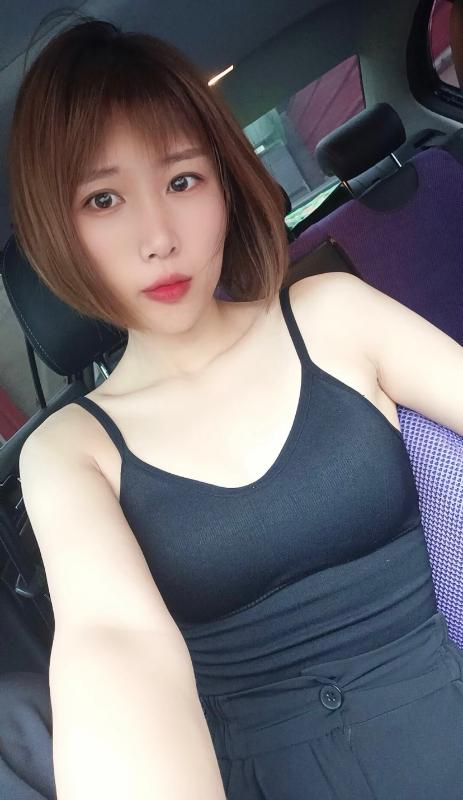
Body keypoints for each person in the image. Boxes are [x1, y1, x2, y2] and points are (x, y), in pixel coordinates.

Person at [5, 14, 463, 800]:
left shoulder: (333, 315)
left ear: (224, 182)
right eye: (104, 199)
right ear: (58, 231)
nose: (158, 237)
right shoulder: (68, 450)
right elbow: (112, 644)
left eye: (182, 181)